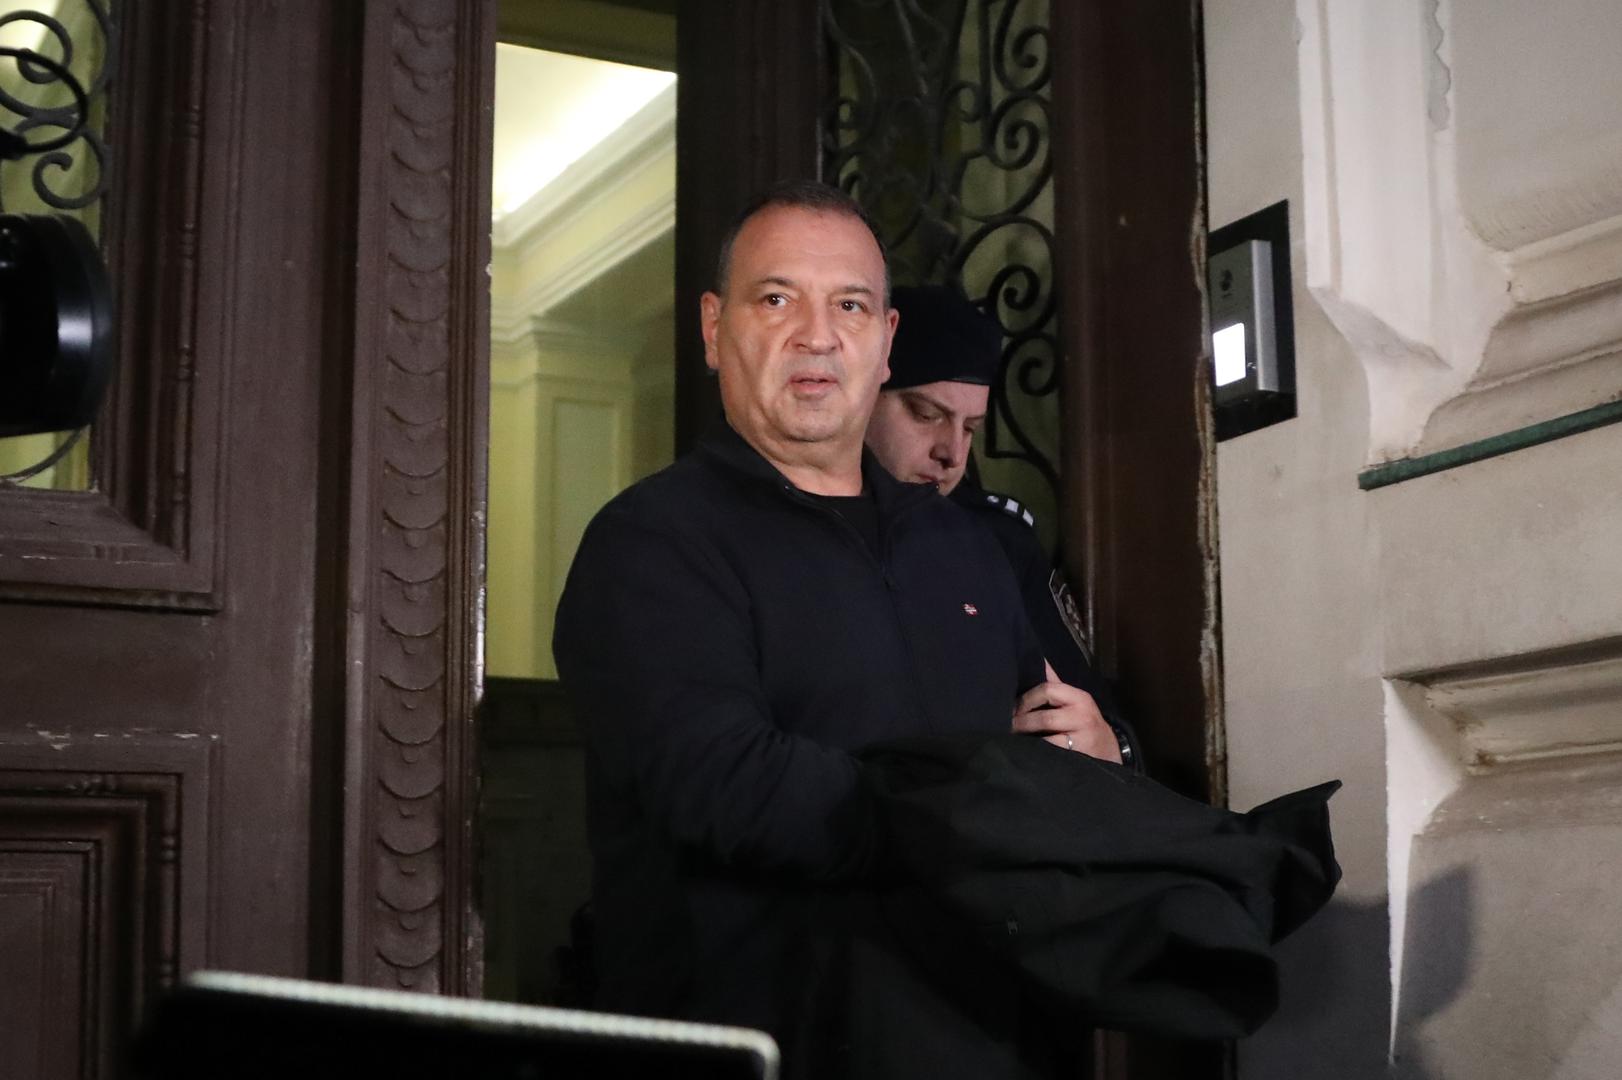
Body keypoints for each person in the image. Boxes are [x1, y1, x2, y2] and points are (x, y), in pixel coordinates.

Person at [552, 180, 1117, 1077]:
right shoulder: (650, 543)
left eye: (849, 305)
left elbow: (1064, 751)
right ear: (714, 329)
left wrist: (1098, 761)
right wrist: (985, 803)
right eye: (777, 299)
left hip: (988, 1042)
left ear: (885, 342)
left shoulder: (964, 548)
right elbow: (729, 784)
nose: (816, 335)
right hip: (769, 1046)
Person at [864, 284, 1137, 767]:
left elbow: (1092, 715)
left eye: (970, 428)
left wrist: (1111, 746)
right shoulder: (796, 528)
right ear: (861, 399)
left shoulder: (998, 541)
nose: (952, 452)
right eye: (926, 414)